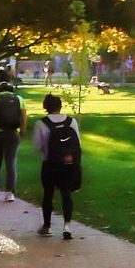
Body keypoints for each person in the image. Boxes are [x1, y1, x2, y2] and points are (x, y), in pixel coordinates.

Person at [34, 94, 83, 238]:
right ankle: (67, 226)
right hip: (68, 164)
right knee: (66, 194)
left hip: (50, 164)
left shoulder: (41, 124)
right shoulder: (71, 121)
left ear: (45, 107)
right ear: (60, 106)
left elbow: (37, 146)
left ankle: (47, 226)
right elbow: (78, 143)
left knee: (48, 194)